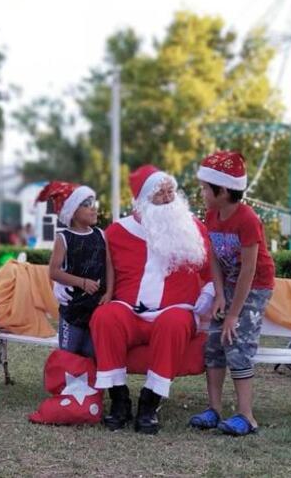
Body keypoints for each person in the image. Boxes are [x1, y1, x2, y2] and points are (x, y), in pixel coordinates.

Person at [89, 165, 218, 435]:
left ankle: (150, 401)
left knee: (173, 322)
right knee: (105, 317)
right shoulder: (117, 232)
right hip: (130, 311)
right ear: (145, 200)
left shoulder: (194, 229)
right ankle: (119, 399)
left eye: (171, 190)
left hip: (176, 310)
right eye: (160, 193)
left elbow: (210, 273)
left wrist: (208, 296)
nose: (169, 197)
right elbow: (97, 268)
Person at [189, 150, 276, 436]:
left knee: (236, 342)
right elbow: (214, 255)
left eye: (205, 188)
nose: (201, 192)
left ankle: (246, 416)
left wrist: (234, 314)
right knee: (214, 344)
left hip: (254, 286)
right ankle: (214, 410)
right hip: (228, 285)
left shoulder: (247, 219)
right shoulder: (212, 213)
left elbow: (249, 271)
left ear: (223, 190)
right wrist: (219, 295)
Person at [37, 181, 113, 358]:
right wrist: (82, 282)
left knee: (91, 352)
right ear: (72, 211)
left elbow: (109, 263)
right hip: (73, 307)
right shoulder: (63, 238)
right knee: (69, 351)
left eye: (93, 204)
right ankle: (66, 384)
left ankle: (89, 385)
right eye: (86, 205)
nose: (93, 209)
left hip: (97, 306)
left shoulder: (100, 235)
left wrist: (109, 292)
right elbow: (54, 272)